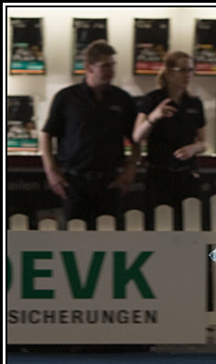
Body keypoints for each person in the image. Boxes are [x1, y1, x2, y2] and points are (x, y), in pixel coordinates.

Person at [41, 39, 140, 230]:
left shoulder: (122, 99)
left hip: (110, 181)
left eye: (112, 65)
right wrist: (51, 171)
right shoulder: (67, 98)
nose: (111, 70)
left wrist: (130, 169)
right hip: (74, 181)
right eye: (105, 66)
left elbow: (135, 138)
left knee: (110, 239)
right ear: (89, 67)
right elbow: (46, 134)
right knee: (75, 239)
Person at [133, 51, 206, 230]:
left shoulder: (194, 103)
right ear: (169, 72)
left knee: (189, 227)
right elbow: (137, 136)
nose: (187, 75)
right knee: (159, 227)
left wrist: (193, 148)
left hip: (186, 175)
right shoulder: (153, 100)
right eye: (183, 70)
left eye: (190, 70)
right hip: (159, 176)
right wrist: (154, 116)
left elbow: (204, 142)